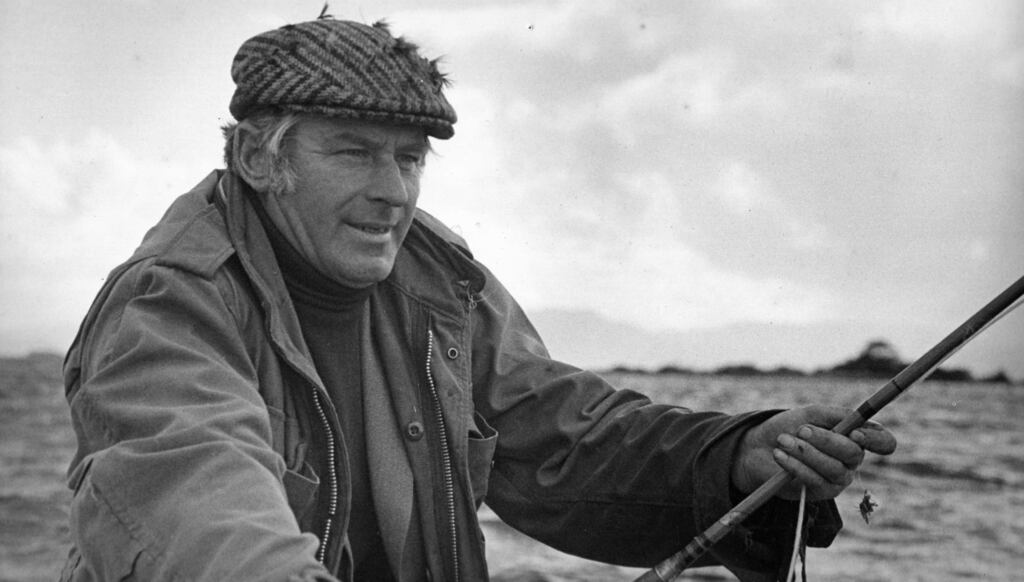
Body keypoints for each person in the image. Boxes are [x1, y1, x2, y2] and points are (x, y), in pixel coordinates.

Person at [60, 14, 896, 582]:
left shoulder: (437, 278)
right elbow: (196, 494)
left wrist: (735, 455)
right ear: (256, 159)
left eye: (410, 159)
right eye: (354, 152)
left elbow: (565, 435)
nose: (393, 192)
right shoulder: (168, 302)